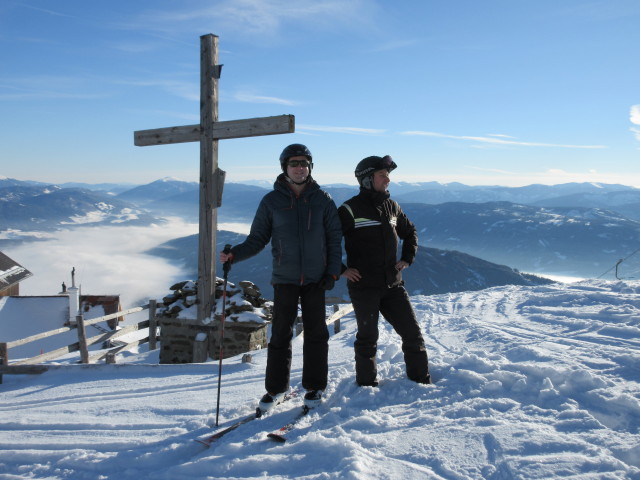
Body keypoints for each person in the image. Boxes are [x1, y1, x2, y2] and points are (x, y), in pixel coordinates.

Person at [219, 143, 342, 411]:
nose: (300, 167)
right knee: (280, 336)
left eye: (304, 163)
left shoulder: (323, 199)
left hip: (315, 279)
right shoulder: (271, 201)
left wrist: (332, 271)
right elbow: (257, 239)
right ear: (284, 167)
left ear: (310, 167)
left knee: (316, 334)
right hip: (284, 278)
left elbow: (334, 239)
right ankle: (275, 389)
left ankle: (315, 386)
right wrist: (235, 255)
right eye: (294, 163)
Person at [338, 155, 432, 387]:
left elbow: (410, 233)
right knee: (368, 338)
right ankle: (366, 386)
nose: (388, 179)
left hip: (392, 285)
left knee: (412, 334)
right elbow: (325, 242)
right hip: (364, 286)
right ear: (367, 179)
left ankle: (421, 381)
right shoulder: (349, 209)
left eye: (388, 175)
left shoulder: (392, 206)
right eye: (383, 175)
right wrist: (341, 269)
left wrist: (407, 259)